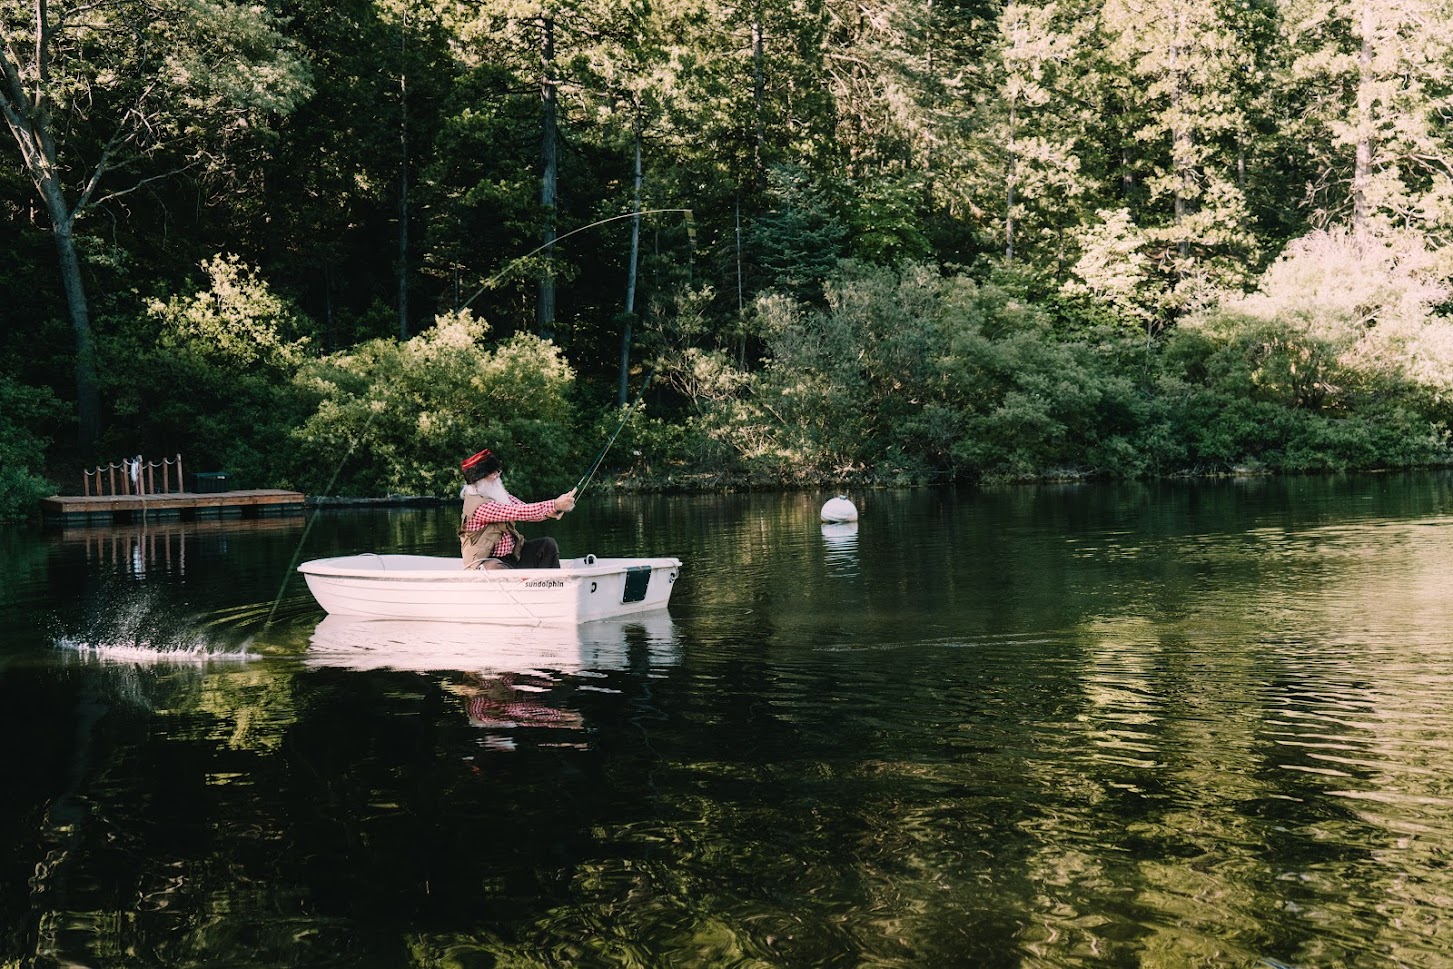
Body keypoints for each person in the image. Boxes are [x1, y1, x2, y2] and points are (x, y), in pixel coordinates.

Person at [458, 448, 576, 569]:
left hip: (513, 556)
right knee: (495, 567)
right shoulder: (480, 506)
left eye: (497, 471)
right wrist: (555, 504)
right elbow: (518, 512)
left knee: (547, 545)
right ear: (479, 479)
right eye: (492, 473)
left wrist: (550, 512)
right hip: (487, 562)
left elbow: (523, 508)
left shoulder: (495, 494)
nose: (497, 476)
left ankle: (551, 584)